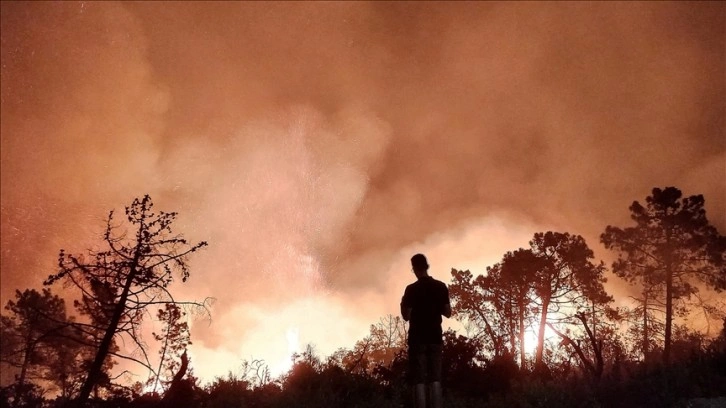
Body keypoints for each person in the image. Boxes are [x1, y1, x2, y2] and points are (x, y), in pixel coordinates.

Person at [400, 253, 452, 408]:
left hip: (417, 340)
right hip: (435, 337)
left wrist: (403, 304)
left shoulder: (411, 290)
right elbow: (448, 312)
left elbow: (406, 316)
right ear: (426, 267)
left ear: (415, 269)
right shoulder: (440, 286)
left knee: (419, 379)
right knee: (435, 378)